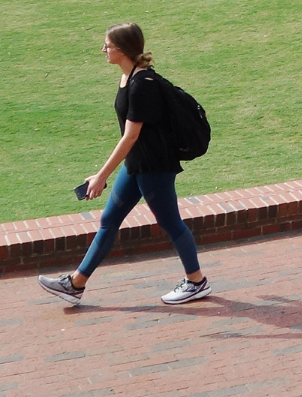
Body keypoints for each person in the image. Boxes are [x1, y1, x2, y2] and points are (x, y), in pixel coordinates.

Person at [37, 23, 210, 307]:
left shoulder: (142, 85)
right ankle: (76, 284)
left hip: (154, 166)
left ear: (123, 49)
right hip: (137, 164)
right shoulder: (128, 78)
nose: (103, 50)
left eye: (107, 45)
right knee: (109, 220)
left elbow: (131, 136)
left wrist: (101, 175)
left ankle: (196, 281)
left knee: (170, 222)